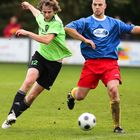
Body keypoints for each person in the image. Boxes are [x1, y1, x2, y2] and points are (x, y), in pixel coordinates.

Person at [65, 0, 140, 133]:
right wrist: (84, 39)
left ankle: (117, 126)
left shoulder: (114, 23)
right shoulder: (85, 22)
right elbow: (68, 28)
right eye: (95, 4)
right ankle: (71, 94)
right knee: (80, 96)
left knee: (114, 91)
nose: (97, 7)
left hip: (109, 64)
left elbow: (133, 29)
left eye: (100, 4)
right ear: (92, 6)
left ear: (105, 6)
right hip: (91, 64)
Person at [2, 0, 71, 129]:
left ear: (55, 11)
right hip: (40, 56)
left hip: (54, 64)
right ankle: (11, 114)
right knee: (28, 81)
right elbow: (36, 13)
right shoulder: (42, 15)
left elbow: (46, 40)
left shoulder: (56, 23)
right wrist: (28, 5)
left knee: (32, 96)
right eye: (44, 12)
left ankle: (13, 116)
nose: (46, 15)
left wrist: (27, 33)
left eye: (49, 12)